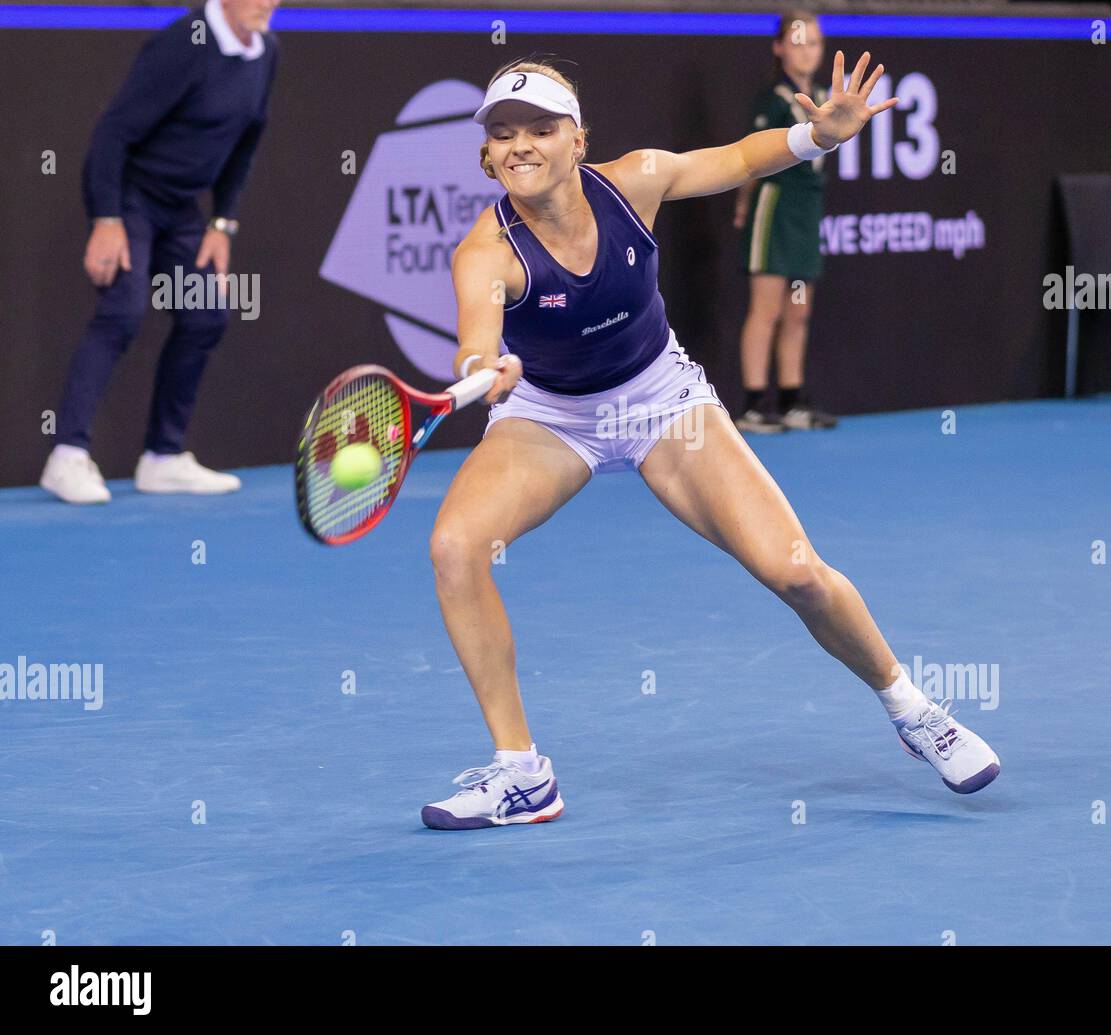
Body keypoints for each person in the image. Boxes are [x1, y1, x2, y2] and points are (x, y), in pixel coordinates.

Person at [419, 54, 1000, 831]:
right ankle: (522, 774)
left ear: (577, 140)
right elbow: (476, 338)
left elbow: (733, 161)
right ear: (487, 153)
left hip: (660, 399)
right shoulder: (485, 252)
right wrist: (480, 370)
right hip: (549, 415)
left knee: (796, 573)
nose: (520, 145)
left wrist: (817, 137)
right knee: (456, 546)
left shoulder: (636, 182)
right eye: (502, 134)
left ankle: (912, 707)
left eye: (540, 128)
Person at [40, 0, 285, 504]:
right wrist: (106, 217)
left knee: (204, 316)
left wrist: (222, 225)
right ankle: (68, 454)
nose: (266, 1)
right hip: (130, 197)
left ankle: (164, 456)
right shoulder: (184, 45)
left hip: (182, 209)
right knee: (122, 311)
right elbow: (112, 134)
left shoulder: (266, 52)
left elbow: (245, 146)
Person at [733, 10, 837, 434]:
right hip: (772, 208)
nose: (806, 50)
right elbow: (751, 161)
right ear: (779, 47)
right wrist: (743, 207)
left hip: (806, 211)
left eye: (813, 42)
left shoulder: (829, 99)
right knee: (766, 309)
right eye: (797, 41)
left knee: (798, 311)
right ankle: (755, 404)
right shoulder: (774, 99)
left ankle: (793, 399)